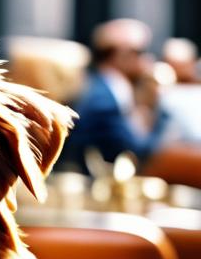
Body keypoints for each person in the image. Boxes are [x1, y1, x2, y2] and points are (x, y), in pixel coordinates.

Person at [64, 18, 171, 169]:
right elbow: (137, 151)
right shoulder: (103, 100)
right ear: (121, 55)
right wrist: (162, 109)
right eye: (141, 52)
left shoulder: (107, 88)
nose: (148, 59)